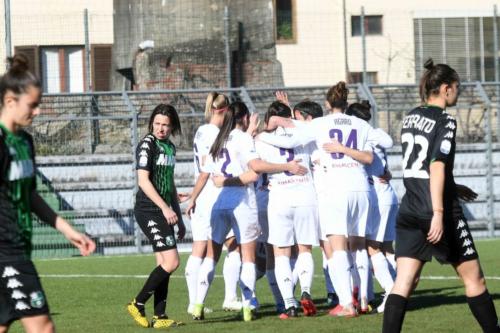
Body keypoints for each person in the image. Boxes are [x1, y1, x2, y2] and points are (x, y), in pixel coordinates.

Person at [382, 59, 500, 333]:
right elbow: (435, 165)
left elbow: (421, 168)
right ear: (446, 89)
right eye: (457, 87)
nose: (458, 92)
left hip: (409, 209)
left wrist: (453, 187)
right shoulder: (445, 120)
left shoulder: (410, 116)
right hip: (437, 212)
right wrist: (438, 213)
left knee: (404, 283)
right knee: (475, 280)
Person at [186, 101, 307, 322]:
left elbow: (209, 174)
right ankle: (247, 307)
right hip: (242, 203)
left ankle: (197, 305)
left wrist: (198, 194)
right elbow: (256, 167)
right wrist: (286, 166)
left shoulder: (217, 139)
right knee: (248, 257)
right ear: (243, 119)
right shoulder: (242, 138)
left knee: (212, 257)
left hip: (218, 204)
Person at [0, 54, 96, 333]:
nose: (38, 111)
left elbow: (29, 195)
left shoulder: (25, 142)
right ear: (10, 101)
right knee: (43, 328)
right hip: (6, 252)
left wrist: (68, 230)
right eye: (33, 105)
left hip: (16, 246)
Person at [255, 101, 320, 319]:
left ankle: (289, 305)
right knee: (304, 249)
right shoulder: (304, 132)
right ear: (290, 116)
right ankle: (306, 291)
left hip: (279, 197)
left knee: (281, 253)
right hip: (305, 195)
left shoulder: (262, 138)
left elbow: (256, 163)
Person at [126, 104, 186, 329]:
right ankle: (137, 303)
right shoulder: (146, 145)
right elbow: (143, 181)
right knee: (172, 262)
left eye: (165, 125)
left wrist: (177, 216)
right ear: (152, 123)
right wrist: (164, 208)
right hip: (149, 210)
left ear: (172, 127)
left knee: (164, 263)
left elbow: (169, 184)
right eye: (157, 123)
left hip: (164, 210)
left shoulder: (170, 147)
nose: (160, 128)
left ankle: (160, 316)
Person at [185, 92, 242, 314]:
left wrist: (193, 197)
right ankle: (229, 297)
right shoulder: (216, 134)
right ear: (224, 110)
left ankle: (193, 303)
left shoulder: (201, 131)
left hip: (201, 199)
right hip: (213, 196)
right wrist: (194, 196)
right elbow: (207, 172)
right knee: (233, 246)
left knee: (199, 248)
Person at [345, 101, 396, 313]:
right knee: (384, 248)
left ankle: (392, 292)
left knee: (371, 247)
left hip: (377, 195)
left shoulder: (364, 134)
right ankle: (388, 292)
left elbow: (386, 143)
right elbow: (388, 143)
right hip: (384, 193)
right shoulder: (371, 133)